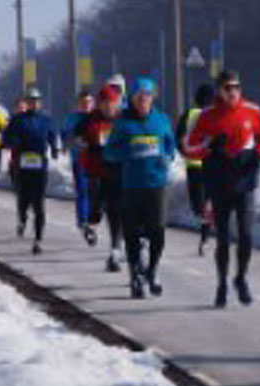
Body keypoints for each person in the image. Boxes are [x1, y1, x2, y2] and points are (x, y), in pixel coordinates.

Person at [184, 69, 260, 307]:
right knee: (223, 239)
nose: (233, 92)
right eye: (227, 88)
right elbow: (189, 147)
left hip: (244, 180)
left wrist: (258, 155)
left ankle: (240, 278)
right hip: (219, 181)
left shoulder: (252, 111)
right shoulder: (207, 116)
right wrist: (210, 145)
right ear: (219, 91)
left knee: (246, 234)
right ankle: (222, 283)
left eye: (236, 87)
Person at [104, 77, 176, 298]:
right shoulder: (123, 122)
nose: (144, 100)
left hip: (157, 184)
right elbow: (109, 152)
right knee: (132, 234)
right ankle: (135, 275)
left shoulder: (162, 120)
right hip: (131, 185)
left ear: (152, 98)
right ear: (133, 99)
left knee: (158, 232)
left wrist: (167, 157)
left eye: (147, 96)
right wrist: (127, 153)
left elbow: (170, 146)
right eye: (139, 97)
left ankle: (152, 271)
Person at [1, 87, 59, 252]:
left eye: (37, 100)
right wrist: (13, 142)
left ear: (40, 103)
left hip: (40, 164)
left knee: (39, 202)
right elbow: (7, 137)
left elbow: (52, 135)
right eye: (31, 100)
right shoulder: (17, 120)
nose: (34, 103)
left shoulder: (45, 120)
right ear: (26, 102)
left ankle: (38, 239)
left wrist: (54, 147)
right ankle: (22, 219)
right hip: (23, 164)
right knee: (24, 198)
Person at [76, 84, 124, 271]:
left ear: (117, 103)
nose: (108, 107)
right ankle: (90, 224)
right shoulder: (90, 120)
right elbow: (78, 138)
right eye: (104, 103)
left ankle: (115, 250)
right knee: (96, 207)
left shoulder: (122, 120)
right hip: (95, 171)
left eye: (111, 103)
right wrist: (87, 144)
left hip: (116, 172)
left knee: (115, 211)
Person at [176, 83, 216, 254]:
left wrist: (184, 152)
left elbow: (178, 137)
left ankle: (205, 235)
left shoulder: (189, 114)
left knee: (198, 205)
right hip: (208, 164)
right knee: (205, 202)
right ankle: (206, 232)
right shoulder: (213, 115)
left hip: (195, 165)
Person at [62, 90, 96, 243]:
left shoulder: (97, 117)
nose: (86, 105)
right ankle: (83, 221)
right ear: (78, 104)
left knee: (95, 191)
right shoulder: (72, 119)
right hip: (80, 160)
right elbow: (65, 137)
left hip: (97, 161)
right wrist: (74, 140)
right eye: (83, 103)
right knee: (82, 190)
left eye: (89, 102)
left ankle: (92, 217)